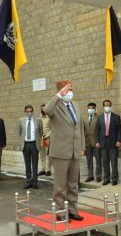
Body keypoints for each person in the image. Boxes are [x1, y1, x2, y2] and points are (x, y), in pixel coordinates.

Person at [44, 80, 85, 221]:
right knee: (60, 185)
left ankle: (73, 209)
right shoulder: (55, 106)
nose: (70, 92)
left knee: (73, 184)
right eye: (67, 90)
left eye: (71, 89)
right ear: (61, 91)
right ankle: (61, 212)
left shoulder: (76, 105)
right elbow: (46, 110)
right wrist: (58, 96)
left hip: (75, 150)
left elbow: (79, 128)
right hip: (60, 152)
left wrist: (82, 147)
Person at [96, 100, 121, 186]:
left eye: (108, 105)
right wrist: (97, 141)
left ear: (111, 106)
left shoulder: (116, 117)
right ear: (103, 106)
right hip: (103, 142)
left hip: (113, 142)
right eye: (105, 105)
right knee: (105, 161)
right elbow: (97, 131)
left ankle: (114, 179)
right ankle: (106, 179)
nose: (107, 107)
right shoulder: (99, 118)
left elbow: (119, 130)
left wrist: (119, 140)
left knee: (114, 161)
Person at [18, 105, 43, 189]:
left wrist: (36, 139)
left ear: (33, 111)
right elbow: (20, 132)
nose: (29, 113)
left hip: (34, 144)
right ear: (25, 112)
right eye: (27, 111)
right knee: (27, 164)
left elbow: (41, 132)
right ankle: (29, 181)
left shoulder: (38, 120)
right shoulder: (21, 120)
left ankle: (35, 182)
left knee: (35, 164)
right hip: (25, 144)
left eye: (31, 111)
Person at [83, 102, 101, 183]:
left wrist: (99, 141)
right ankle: (90, 176)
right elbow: (82, 130)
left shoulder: (99, 117)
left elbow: (100, 131)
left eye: (92, 108)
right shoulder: (84, 117)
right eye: (89, 108)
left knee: (98, 160)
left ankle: (98, 176)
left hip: (96, 142)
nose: (91, 109)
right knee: (89, 160)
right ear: (87, 108)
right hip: (87, 142)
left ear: (95, 108)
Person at [38, 104, 52, 177]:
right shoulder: (39, 118)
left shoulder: (50, 117)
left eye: (44, 108)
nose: (42, 110)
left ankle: (48, 170)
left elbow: (53, 128)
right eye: (41, 108)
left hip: (48, 139)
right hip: (40, 139)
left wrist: (47, 136)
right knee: (42, 154)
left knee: (48, 154)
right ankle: (42, 169)